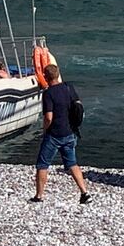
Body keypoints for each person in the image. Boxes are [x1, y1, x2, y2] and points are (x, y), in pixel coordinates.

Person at [31, 65, 90, 204]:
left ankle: (39, 196)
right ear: (58, 75)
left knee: (42, 164)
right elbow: (78, 105)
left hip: (54, 134)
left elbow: (48, 117)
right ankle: (84, 192)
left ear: (45, 77)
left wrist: (44, 130)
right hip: (69, 131)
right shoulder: (69, 88)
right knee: (72, 163)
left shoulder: (48, 93)